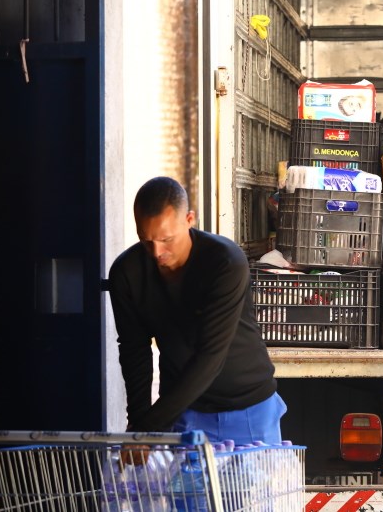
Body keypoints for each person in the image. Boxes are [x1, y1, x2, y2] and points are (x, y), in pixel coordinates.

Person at [108, 176, 285, 444]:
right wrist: (139, 424)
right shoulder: (126, 273)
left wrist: (150, 426)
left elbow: (210, 356)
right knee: (182, 488)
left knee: (255, 486)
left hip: (249, 409)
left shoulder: (225, 262)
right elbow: (134, 352)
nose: (157, 252)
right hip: (183, 413)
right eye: (146, 241)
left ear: (190, 220)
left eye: (167, 239)